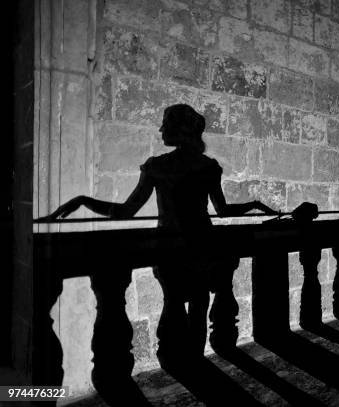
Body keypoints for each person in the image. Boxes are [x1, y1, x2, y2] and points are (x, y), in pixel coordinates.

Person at [43, 104, 277, 404]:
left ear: (178, 129)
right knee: (197, 313)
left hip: (170, 250)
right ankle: (201, 378)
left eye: (165, 123)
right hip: (202, 247)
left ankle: (186, 375)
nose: (160, 129)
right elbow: (223, 210)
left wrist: (83, 201)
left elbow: (125, 212)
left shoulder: (157, 166)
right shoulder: (208, 167)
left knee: (174, 308)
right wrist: (255, 205)